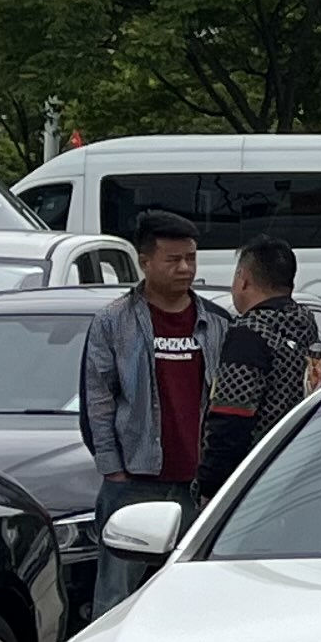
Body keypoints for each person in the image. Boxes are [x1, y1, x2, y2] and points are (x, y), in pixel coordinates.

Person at [78, 210, 230, 615]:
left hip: (199, 486)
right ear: (145, 262)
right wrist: (114, 470)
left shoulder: (215, 322)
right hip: (134, 482)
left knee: (195, 595)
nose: (185, 268)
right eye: (173, 259)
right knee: (116, 599)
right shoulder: (114, 321)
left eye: (191, 258)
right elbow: (98, 399)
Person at [196, 237, 321, 507]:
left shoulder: (249, 333)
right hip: (299, 468)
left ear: (243, 279)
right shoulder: (307, 326)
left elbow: (232, 417)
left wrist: (210, 484)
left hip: (253, 480)